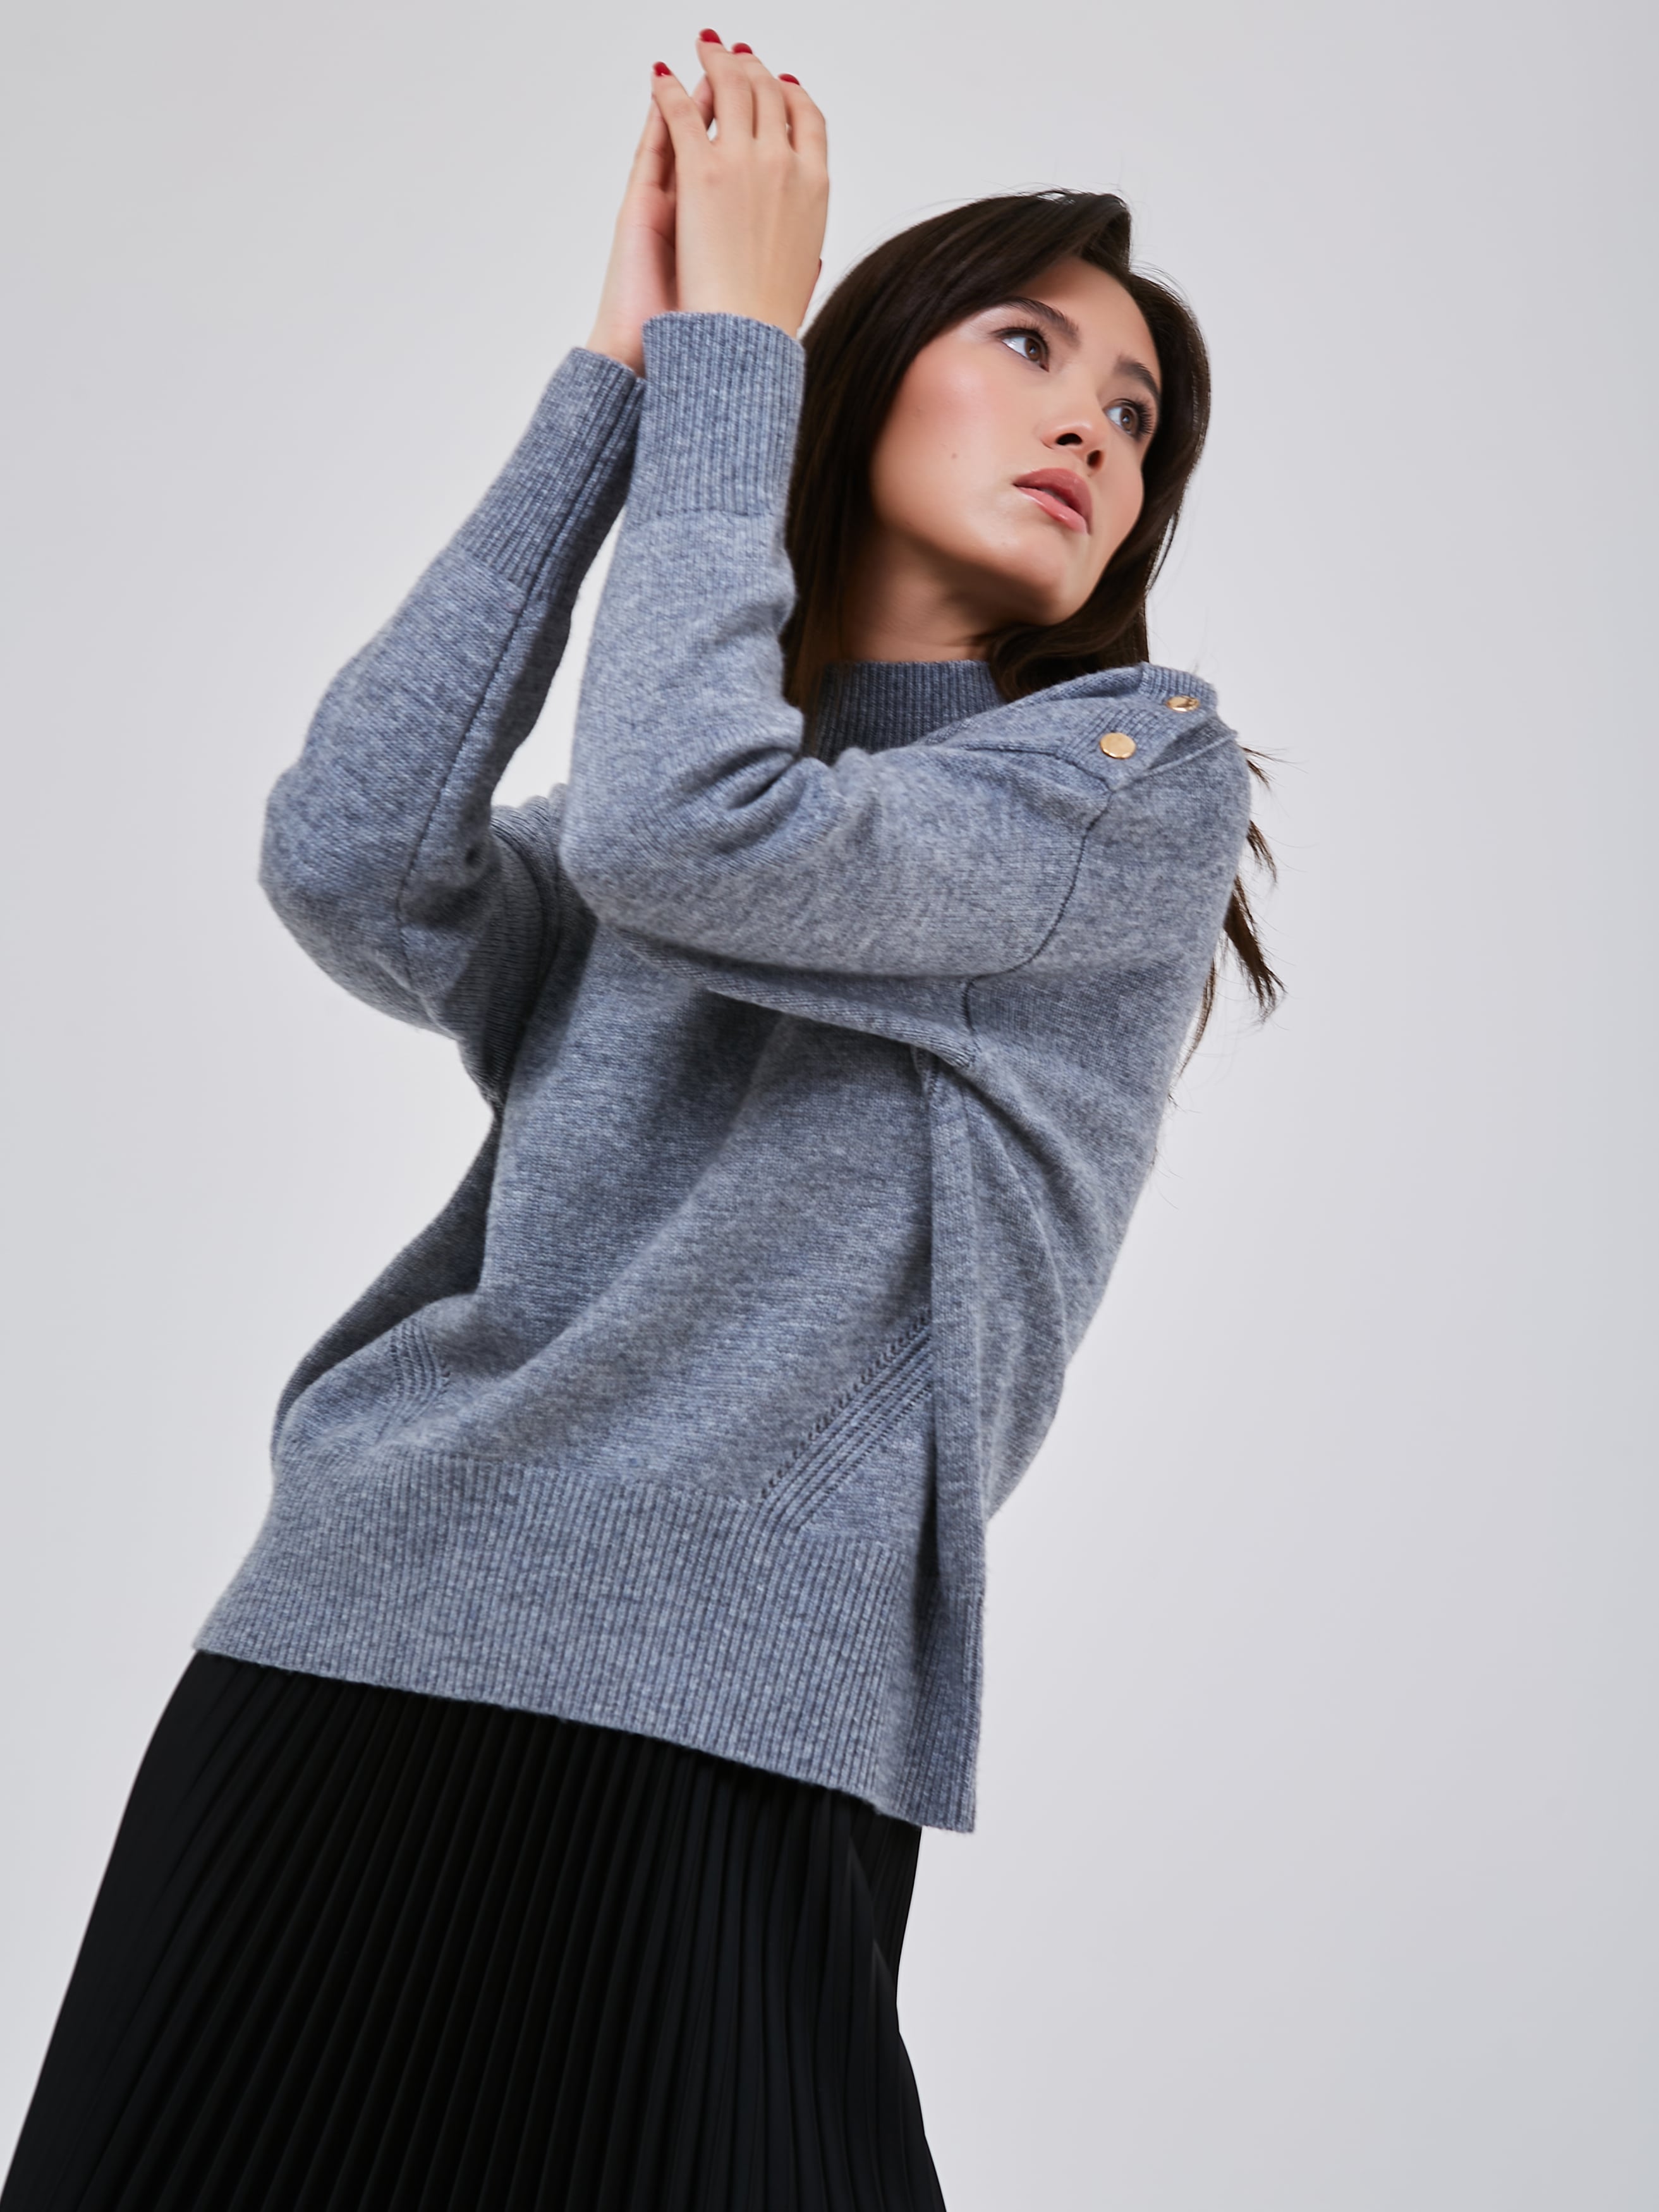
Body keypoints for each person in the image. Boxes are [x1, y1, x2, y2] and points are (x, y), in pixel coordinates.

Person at [1, 30, 1276, 2212]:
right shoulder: (663, 802)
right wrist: (620, 383)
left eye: (1137, 412)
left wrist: (727, 358)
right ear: (854, 374)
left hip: (731, 1718)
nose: (1094, 421)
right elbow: (352, 854)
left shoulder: (1121, 788)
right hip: (351, 1628)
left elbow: (699, 832)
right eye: (1027, 343)